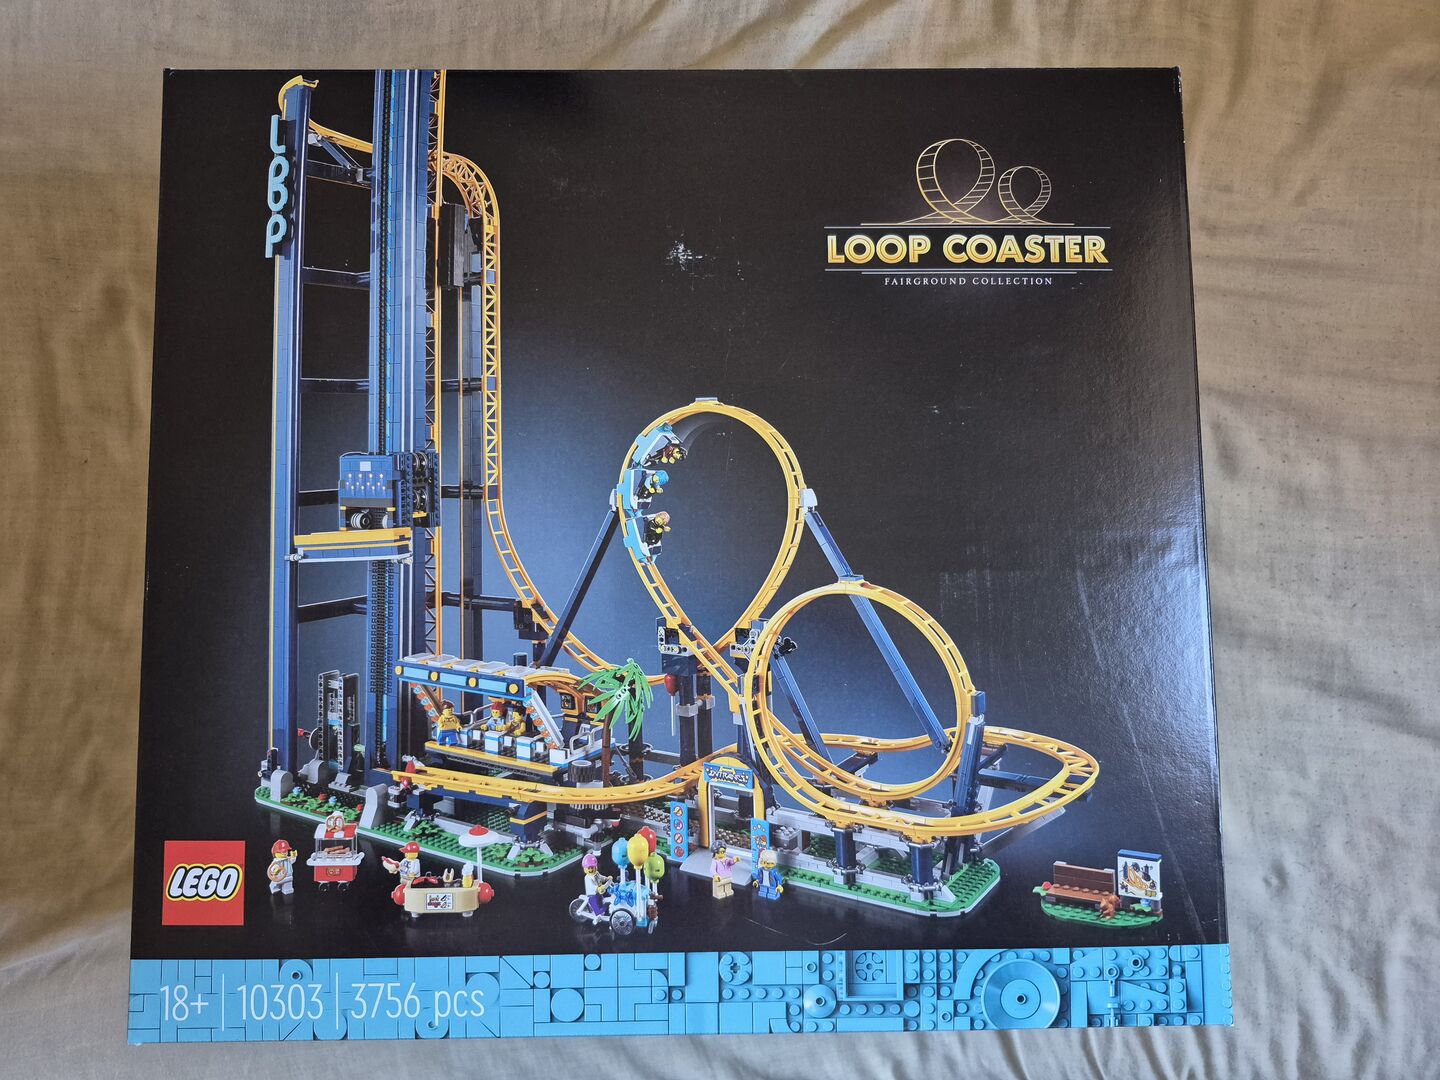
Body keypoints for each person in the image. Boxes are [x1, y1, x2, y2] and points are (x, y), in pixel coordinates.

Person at [582, 852, 612, 918]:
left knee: (601, 899)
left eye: (592, 867)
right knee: (594, 901)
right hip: (592, 893)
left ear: (596, 867)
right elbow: (591, 886)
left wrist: (606, 878)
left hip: (599, 891)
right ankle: (597, 912)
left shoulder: (596, 873)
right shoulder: (587, 877)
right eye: (589, 868)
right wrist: (597, 888)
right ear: (585, 869)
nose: (591, 869)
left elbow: (601, 877)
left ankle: (602, 908)